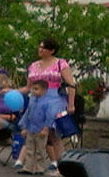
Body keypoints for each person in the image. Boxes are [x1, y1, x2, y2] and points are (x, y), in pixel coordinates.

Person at [27, 37, 80, 167]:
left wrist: (71, 103)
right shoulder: (34, 65)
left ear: (51, 50)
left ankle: (62, 165)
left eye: (43, 47)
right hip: (36, 100)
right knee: (36, 132)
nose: (40, 50)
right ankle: (38, 163)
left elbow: (70, 84)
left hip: (53, 98)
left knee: (54, 133)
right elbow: (28, 87)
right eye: (39, 47)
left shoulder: (60, 63)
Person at [17, 79, 71, 175]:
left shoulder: (47, 103)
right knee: (29, 149)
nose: (33, 91)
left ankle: (40, 168)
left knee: (40, 150)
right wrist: (24, 127)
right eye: (33, 89)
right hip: (31, 129)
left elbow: (49, 117)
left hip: (40, 130)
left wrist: (46, 128)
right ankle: (28, 167)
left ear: (44, 90)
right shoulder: (32, 101)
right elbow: (27, 115)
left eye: (36, 89)